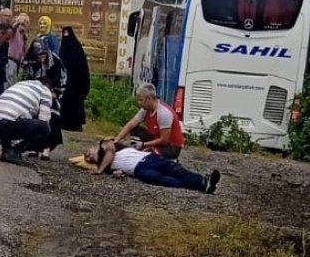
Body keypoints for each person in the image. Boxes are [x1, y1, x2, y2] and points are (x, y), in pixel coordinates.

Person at [86, 138, 221, 194]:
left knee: (176, 171)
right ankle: (203, 185)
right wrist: (117, 173)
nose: (88, 157)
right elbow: (119, 171)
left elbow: (110, 151)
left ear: (93, 147)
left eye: (87, 153)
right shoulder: (107, 168)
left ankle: (203, 180)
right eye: (87, 159)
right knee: (166, 180)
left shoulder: (105, 144)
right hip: (139, 170)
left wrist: (99, 170)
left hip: (148, 158)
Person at [0, 79, 56, 165]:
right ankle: (15, 151)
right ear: (50, 88)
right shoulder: (45, 91)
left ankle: (7, 149)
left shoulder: (21, 84)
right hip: (3, 125)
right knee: (44, 128)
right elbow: (44, 120)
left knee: (10, 117)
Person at [21, 38, 67, 160]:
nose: (41, 58)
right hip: (34, 94)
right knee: (34, 120)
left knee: (51, 119)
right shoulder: (29, 62)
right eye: (38, 56)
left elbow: (63, 79)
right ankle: (34, 148)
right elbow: (25, 79)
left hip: (52, 93)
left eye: (43, 55)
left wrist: (56, 93)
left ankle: (46, 149)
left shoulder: (56, 61)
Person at [114, 83, 185, 160]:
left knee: (147, 158)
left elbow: (164, 140)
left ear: (149, 99)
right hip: (156, 139)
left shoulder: (163, 113)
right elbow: (131, 123)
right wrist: (116, 140)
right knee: (135, 129)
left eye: (141, 100)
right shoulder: (145, 110)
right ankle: (139, 150)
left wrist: (144, 144)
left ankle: (168, 160)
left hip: (171, 147)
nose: (139, 102)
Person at [58, 27, 91, 132]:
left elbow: (83, 69)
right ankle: (63, 123)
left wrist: (83, 86)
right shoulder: (62, 49)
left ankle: (75, 125)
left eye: (68, 34)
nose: (66, 37)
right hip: (64, 84)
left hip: (76, 85)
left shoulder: (77, 49)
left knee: (75, 105)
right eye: (64, 34)